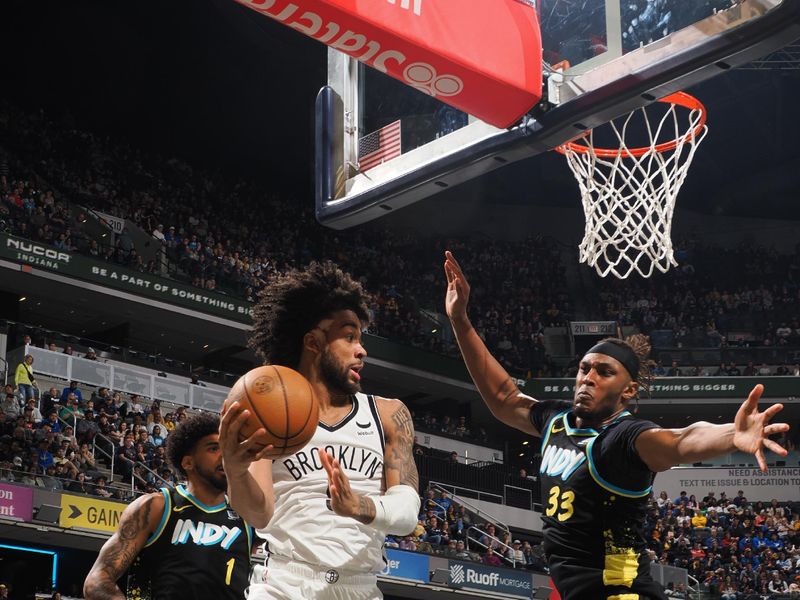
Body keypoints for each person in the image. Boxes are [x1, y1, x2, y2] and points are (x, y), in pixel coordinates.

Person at [443, 250, 789, 600]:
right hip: (571, 588)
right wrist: (460, 320)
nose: (588, 378)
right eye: (584, 368)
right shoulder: (556, 421)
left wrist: (732, 434)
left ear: (629, 390)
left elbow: (680, 440)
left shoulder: (624, 438)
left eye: (604, 372)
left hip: (618, 591)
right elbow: (504, 397)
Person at [220, 261, 420, 600]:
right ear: (313, 342)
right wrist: (236, 471)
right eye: (349, 336)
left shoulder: (389, 414)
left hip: (361, 588)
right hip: (284, 583)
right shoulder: (267, 410)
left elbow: (406, 515)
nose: (362, 350)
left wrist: (358, 506)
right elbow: (258, 514)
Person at [84, 413, 252, 599]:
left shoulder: (247, 516)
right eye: (214, 448)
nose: (224, 456)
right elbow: (97, 582)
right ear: (188, 462)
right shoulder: (155, 507)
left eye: (226, 449)